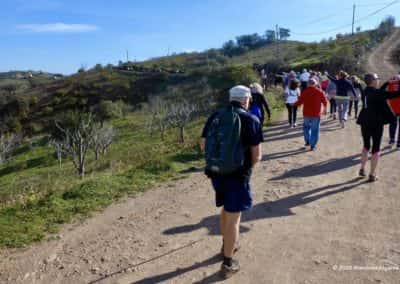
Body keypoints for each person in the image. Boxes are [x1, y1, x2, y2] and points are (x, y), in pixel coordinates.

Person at [201, 85, 263, 279]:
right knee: (234, 216)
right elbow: (257, 155)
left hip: (216, 173)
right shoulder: (251, 119)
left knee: (226, 209)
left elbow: (203, 143)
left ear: (230, 99)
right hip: (238, 176)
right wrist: (247, 170)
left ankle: (226, 244)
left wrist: (217, 160)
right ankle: (228, 262)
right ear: (246, 100)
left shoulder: (215, 116)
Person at [357, 73, 400, 182]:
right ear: (372, 81)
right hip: (376, 123)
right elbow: (394, 94)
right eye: (377, 78)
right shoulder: (378, 93)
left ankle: (362, 169)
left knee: (366, 146)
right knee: (376, 149)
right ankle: (372, 174)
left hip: (365, 121)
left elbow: (378, 92)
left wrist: (387, 83)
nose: (379, 80)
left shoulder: (365, 90)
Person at [294, 78, 328, 151]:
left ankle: (307, 142)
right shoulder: (320, 91)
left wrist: (293, 104)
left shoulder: (305, 92)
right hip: (316, 114)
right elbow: (325, 101)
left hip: (306, 113)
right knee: (315, 130)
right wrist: (325, 109)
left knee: (306, 128)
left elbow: (299, 102)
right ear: (315, 84)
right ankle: (313, 145)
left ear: (308, 84)